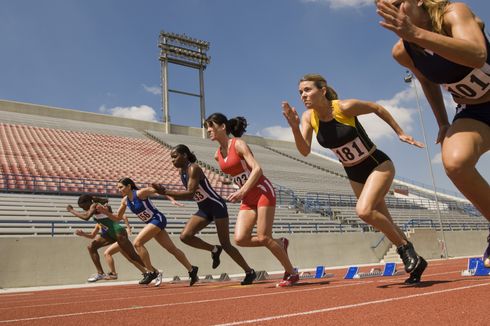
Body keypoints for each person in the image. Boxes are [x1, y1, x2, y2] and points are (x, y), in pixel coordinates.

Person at [282, 73, 427, 283]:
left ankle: (405, 248)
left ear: (322, 90)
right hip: (353, 172)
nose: (303, 95)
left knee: (364, 211)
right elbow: (304, 151)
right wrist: (295, 128)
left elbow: (376, 108)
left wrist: (400, 132)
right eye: (300, 92)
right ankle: (416, 264)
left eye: (307, 90)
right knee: (384, 221)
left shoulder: (343, 107)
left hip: (377, 164)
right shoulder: (308, 117)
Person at [376, 0, 490, 248]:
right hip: (475, 111)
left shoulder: (453, 13)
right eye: (386, 7)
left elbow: (478, 55)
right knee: (455, 163)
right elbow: (427, 82)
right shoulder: (403, 52)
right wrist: (442, 121)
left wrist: (416, 33)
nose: (395, 11)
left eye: (398, 3)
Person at [204, 113, 299, 287]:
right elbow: (239, 174)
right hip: (247, 197)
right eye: (206, 127)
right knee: (240, 239)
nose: (208, 130)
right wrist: (230, 183)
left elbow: (257, 169)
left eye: (211, 126)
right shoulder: (217, 155)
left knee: (263, 236)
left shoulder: (238, 144)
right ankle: (280, 243)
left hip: (262, 191)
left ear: (223, 127)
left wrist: (242, 190)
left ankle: (292, 273)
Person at [152, 144, 256, 285]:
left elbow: (190, 193)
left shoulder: (193, 168)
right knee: (185, 236)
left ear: (184, 155)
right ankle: (214, 249)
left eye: (175, 157)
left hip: (216, 206)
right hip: (204, 208)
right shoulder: (182, 171)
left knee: (226, 244)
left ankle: (249, 271)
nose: (173, 160)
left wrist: (166, 192)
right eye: (171, 158)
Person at [111, 177, 199, 286]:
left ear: (129, 186)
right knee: (172, 249)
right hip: (151, 223)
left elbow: (160, 190)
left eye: (121, 187)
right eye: (118, 188)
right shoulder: (125, 201)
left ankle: (151, 272)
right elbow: (118, 217)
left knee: (137, 243)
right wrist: (104, 211)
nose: (119, 190)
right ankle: (192, 269)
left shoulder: (140, 193)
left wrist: (172, 200)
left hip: (157, 219)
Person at [67, 195, 152, 284]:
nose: (83, 209)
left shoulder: (94, 205)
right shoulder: (96, 210)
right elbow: (91, 228)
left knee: (133, 256)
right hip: (109, 234)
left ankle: (154, 271)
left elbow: (86, 217)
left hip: (118, 233)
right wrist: (83, 234)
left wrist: (71, 210)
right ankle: (101, 273)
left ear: (88, 202)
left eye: (83, 206)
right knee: (91, 247)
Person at [75, 222, 146, 281]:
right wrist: (83, 234)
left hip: (120, 240)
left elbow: (122, 218)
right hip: (117, 242)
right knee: (131, 259)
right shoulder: (98, 224)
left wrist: (128, 228)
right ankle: (147, 272)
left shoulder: (109, 221)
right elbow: (92, 235)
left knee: (107, 253)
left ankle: (113, 274)